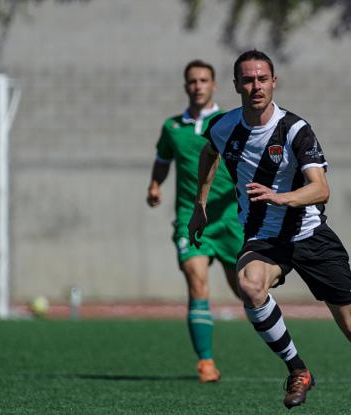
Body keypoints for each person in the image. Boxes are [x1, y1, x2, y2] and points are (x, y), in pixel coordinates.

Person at [187, 50, 351, 414]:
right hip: (265, 237)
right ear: (236, 85)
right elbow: (209, 154)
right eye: (247, 80)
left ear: (274, 82)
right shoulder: (223, 126)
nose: (255, 87)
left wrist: (280, 197)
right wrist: (200, 205)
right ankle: (298, 369)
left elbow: (320, 188)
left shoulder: (295, 129)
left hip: (311, 235)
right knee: (250, 285)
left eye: (262, 79)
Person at [146, 60, 243, 383]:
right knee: (196, 281)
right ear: (186, 86)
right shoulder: (172, 127)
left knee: (247, 290)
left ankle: (286, 355)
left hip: (230, 219)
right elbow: (162, 161)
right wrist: (155, 184)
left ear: (214, 85)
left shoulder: (231, 122)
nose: (198, 85)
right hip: (192, 217)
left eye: (204, 80)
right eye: (192, 81)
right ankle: (206, 362)